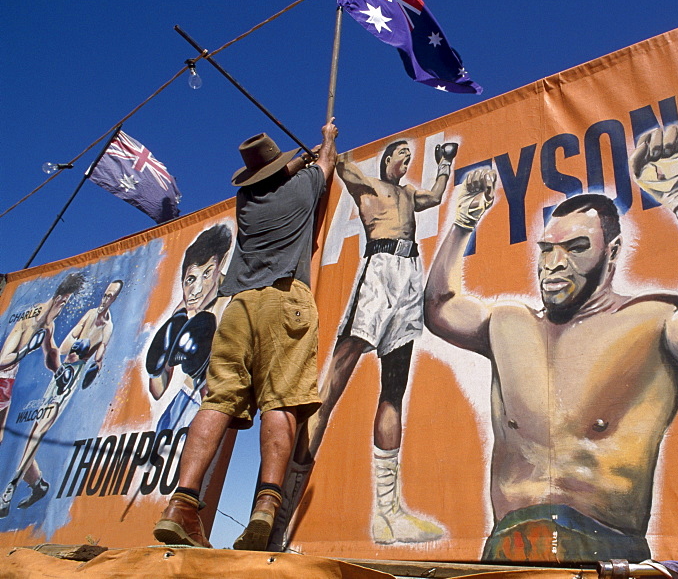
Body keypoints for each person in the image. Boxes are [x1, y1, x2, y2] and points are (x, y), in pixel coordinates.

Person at [423, 123, 678, 562]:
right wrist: (463, 224)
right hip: (508, 548)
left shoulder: (652, 320)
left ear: (611, 253)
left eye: (575, 248)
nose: (554, 264)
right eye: (547, 249)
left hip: (607, 551)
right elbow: (440, 307)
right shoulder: (508, 324)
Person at [152, 122, 337, 550]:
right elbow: (326, 165)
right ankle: (265, 507)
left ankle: (181, 505)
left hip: (237, 308)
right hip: (283, 298)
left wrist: (292, 163)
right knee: (281, 401)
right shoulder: (304, 185)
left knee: (217, 400)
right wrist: (326, 139)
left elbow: (279, 176)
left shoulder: (246, 202)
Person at [272, 139, 458, 549]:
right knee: (334, 381)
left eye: (411, 157)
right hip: (379, 271)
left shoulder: (410, 194)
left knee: (394, 388)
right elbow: (341, 167)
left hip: (410, 273)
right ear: (387, 159)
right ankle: (280, 513)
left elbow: (437, 195)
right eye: (401, 156)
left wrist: (445, 164)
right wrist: (329, 145)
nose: (407, 161)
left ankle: (387, 514)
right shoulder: (368, 186)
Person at [0, 279, 122, 517]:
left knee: (37, 433)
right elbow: (63, 348)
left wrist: (94, 360)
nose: (104, 299)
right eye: (104, 295)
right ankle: (39, 486)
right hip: (59, 376)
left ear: (115, 300)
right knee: (29, 437)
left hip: (70, 381)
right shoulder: (88, 314)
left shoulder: (107, 327)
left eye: (110, 297)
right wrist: (66, 344)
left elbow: (100, 354)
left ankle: (9, 490)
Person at [146, 224, 233, 434]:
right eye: (191, 279)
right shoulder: (185, 309)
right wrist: (162, 356)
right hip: (181, 404)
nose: (196, 290)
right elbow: (157, 389)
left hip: (211, 409)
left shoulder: (234, 298)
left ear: (220, 264)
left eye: (207, 274)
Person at [0, 272, 85, 446]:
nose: (61, 310)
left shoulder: (48, 325)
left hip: (8, 380)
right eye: (64, 304)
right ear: (60, 300)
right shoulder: (30, 319)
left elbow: (52, 352)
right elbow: (3, 360)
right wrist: (26, 349)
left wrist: (59, 372)